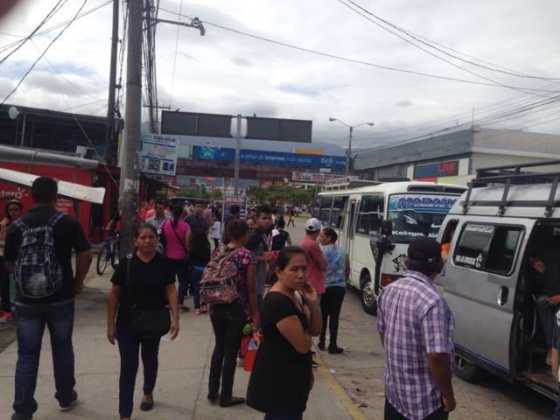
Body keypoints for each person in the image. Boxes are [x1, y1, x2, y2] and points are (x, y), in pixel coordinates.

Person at [5, 177, 92, 420]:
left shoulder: (17, 226)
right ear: (56, 196)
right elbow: (85, 255)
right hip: (61, 298)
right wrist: (76, 284)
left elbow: (10, 264)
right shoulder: (67, 223)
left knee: (27, 354)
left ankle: (22, 411)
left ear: (32, 196)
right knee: (62, 347)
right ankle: (65, 396)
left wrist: (28, 282)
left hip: (26, 301)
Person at [107, 223, 179, 420]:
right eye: (143, 237)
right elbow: (114, 294)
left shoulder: (164, 263)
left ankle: (148, 391)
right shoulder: (126, 263)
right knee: (128, 368)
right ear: (135, 241)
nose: (148, 241)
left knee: (150, 359)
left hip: (153, 321)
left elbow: (171, 290)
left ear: (156, 240)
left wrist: (175, 318)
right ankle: (124, 414)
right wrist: (110, 323)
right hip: (127, 323)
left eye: (151, 237)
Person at [377, 238, 455, 420]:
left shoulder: (388, 290)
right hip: (424, 404)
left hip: (395, 395)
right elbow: (437, 356)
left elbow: (383, 333)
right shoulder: (433, 301)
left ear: (406, 261)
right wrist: (448, 396)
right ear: (439, 265)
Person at [247, 246, 322, 420]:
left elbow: (315, 330)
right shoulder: (278, 302)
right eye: (294, 269)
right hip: (280, 381)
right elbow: (303, 346)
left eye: (304, 268)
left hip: (293, 378)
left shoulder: (295, 294)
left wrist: (313, 304)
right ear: (279, 271)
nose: (301, 275)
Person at [208, 219, 258, 407]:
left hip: (216, 306)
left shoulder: (218, 251)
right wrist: (254, 313)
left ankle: (212, 392)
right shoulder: (247, 255)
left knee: (218, 348)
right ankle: (226, 396)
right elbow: (251, 289)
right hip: (236, 308)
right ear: (245, 235)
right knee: (230, 352)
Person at [318, 228, 349, 354]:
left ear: (329, 238)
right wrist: (342, 281)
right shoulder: (343, 251)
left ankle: (321, 342)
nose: (320, 238)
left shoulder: (320, 251)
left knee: (323, 316)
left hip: (325, 287)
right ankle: (333, 345)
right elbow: (347, 270)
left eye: (322, 236)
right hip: (339, 288)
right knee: (335, 317)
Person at [529, 255, 560, 366]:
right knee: (542, 302)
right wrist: (540, 269)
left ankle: (553, 349)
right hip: (552, 296)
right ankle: (552, 346)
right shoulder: (552, 262)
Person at [162, 204, 191, 312]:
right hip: (181, 258)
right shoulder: (186, 226)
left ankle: (168, 301)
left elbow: (163, 239)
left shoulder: (166, 223)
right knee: (183, 281)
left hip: (168, 256)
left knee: (169, 280)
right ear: (182, 213)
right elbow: (188, 244)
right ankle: (179, 302)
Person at [246, 205, 274, 310]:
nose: (267, 221)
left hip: (259, 283)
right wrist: (263, 258)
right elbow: (244, 257)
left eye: (269, 218)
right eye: (264, 218)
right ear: (256, 219)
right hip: (252, 287)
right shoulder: (254, 236)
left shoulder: (262, 234)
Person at [0, 199, 23, 322]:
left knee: (17, 286)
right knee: (5, 285)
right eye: (10, 210)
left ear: (20, 211)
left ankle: (17, 310)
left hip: (19, 260)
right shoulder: (5, 224)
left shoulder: (24, 224)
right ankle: (7, 310)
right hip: (5, 259)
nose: (13, 212)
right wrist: (3, 227)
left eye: (15, 209)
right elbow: (2, 242)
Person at [300, 218, 327, 296]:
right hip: (314, 283)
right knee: (314, 307)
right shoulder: (313, 245)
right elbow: (323, 265)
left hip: (307, 279)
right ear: (318, 231)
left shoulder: (304, 242)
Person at [189, 229, 211, 314]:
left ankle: (197, 307)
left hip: (195, 269)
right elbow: (208, 259)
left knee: (196, 289)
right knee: (204, 288)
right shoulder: (207, 247)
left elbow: (190, 260)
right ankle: (204, 305)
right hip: (205, 270)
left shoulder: (193, 248)